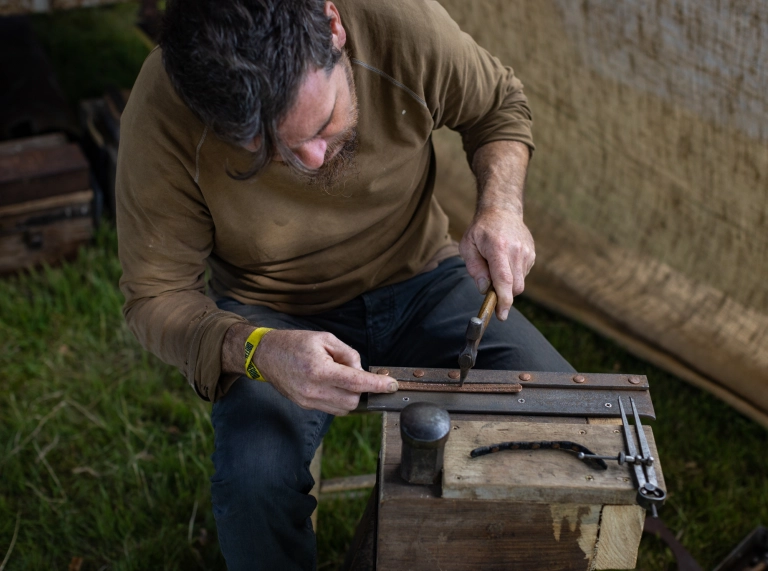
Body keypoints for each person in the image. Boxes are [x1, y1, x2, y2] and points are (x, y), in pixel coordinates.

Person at [116, 0, 574, 568]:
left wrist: (501, 207)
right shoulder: (166, 105)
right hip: (273, 312)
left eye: (322, 122)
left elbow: (497, 104)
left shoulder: (395, 23)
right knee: (253, 486)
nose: (308, 161)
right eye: (269, 151)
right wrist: (256, 350)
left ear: (333, 28)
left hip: (421, 276)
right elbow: (154, 296)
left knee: (568, 415)